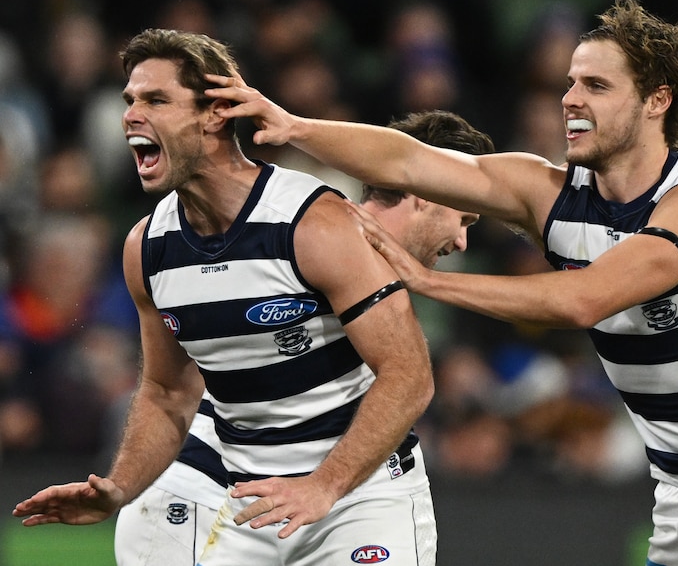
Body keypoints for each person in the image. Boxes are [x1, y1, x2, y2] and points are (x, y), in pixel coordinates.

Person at [202, 0, 678, 564]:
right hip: (677, 489)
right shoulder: (550, 194)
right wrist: (295, 127)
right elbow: (410, 158)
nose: (570, 99)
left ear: (655, 101)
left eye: (596, 85)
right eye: (569, 82)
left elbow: (586, 298)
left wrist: (427, 283)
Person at [14, 28, 439, 566]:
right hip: (248, 503)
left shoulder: (314, 222)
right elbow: (168, 393)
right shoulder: (146, 248)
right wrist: (119, 487)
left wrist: (323, 485)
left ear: (215, 112)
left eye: (155, 100)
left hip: (362, 496)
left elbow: (409, 373)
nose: (130, 115)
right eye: (129, 101)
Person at [112, 108, 491, 566]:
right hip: (222, 477)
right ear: (429, 190)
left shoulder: (350, 247)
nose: (462, 241)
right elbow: (180, 380)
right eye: (464, 219)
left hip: (345, 492)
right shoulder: (308, 231)